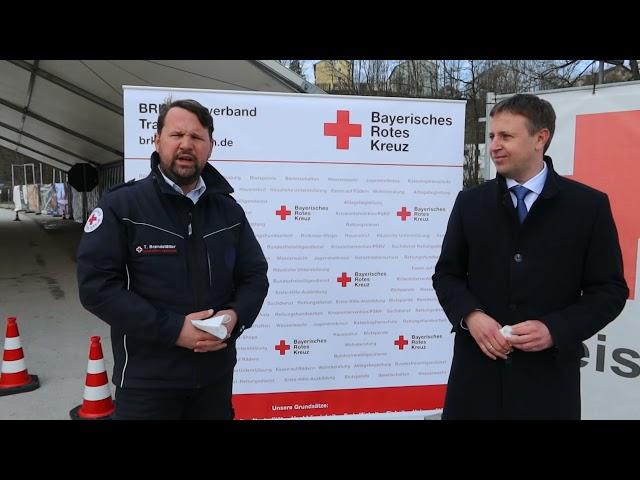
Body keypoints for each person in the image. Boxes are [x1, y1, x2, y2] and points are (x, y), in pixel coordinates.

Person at [432, 93, 628, 419]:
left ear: (540, 138)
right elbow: (447, 275)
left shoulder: (587, 207)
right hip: (476, 380)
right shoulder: (470, 203)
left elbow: (610, 290)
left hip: (547, 383)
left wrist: (555, 329)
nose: (495, 145)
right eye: (493, 135)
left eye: (506, 136)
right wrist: (471, 316)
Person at [77, 99, 269, 419]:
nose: (186, 144)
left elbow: (254, 276)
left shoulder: (228, 211)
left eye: (196, 137)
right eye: (176, 134)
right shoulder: (122, 207)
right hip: (147, 383)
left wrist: (235, 317)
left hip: (214, 380)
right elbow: (95, 287)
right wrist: (175, 329)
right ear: (157, 141)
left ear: (210, 146)